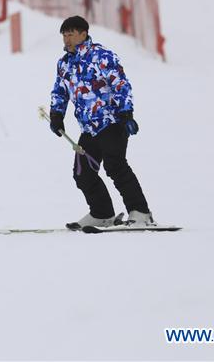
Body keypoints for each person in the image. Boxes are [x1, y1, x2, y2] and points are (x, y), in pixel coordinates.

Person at [48, 15, 154, 229]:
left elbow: (121, 84)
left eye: (71, 34)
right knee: (82, 174)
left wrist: (126, 113)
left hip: (111, 122)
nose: (66, 39)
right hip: (88, 129)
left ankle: (141, 213)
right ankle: (102, 213)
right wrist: (56, 114)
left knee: (115, 166)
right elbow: (60, 91)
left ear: (83, 34)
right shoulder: (64, 64)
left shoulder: (102, 56)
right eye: (64, 35)